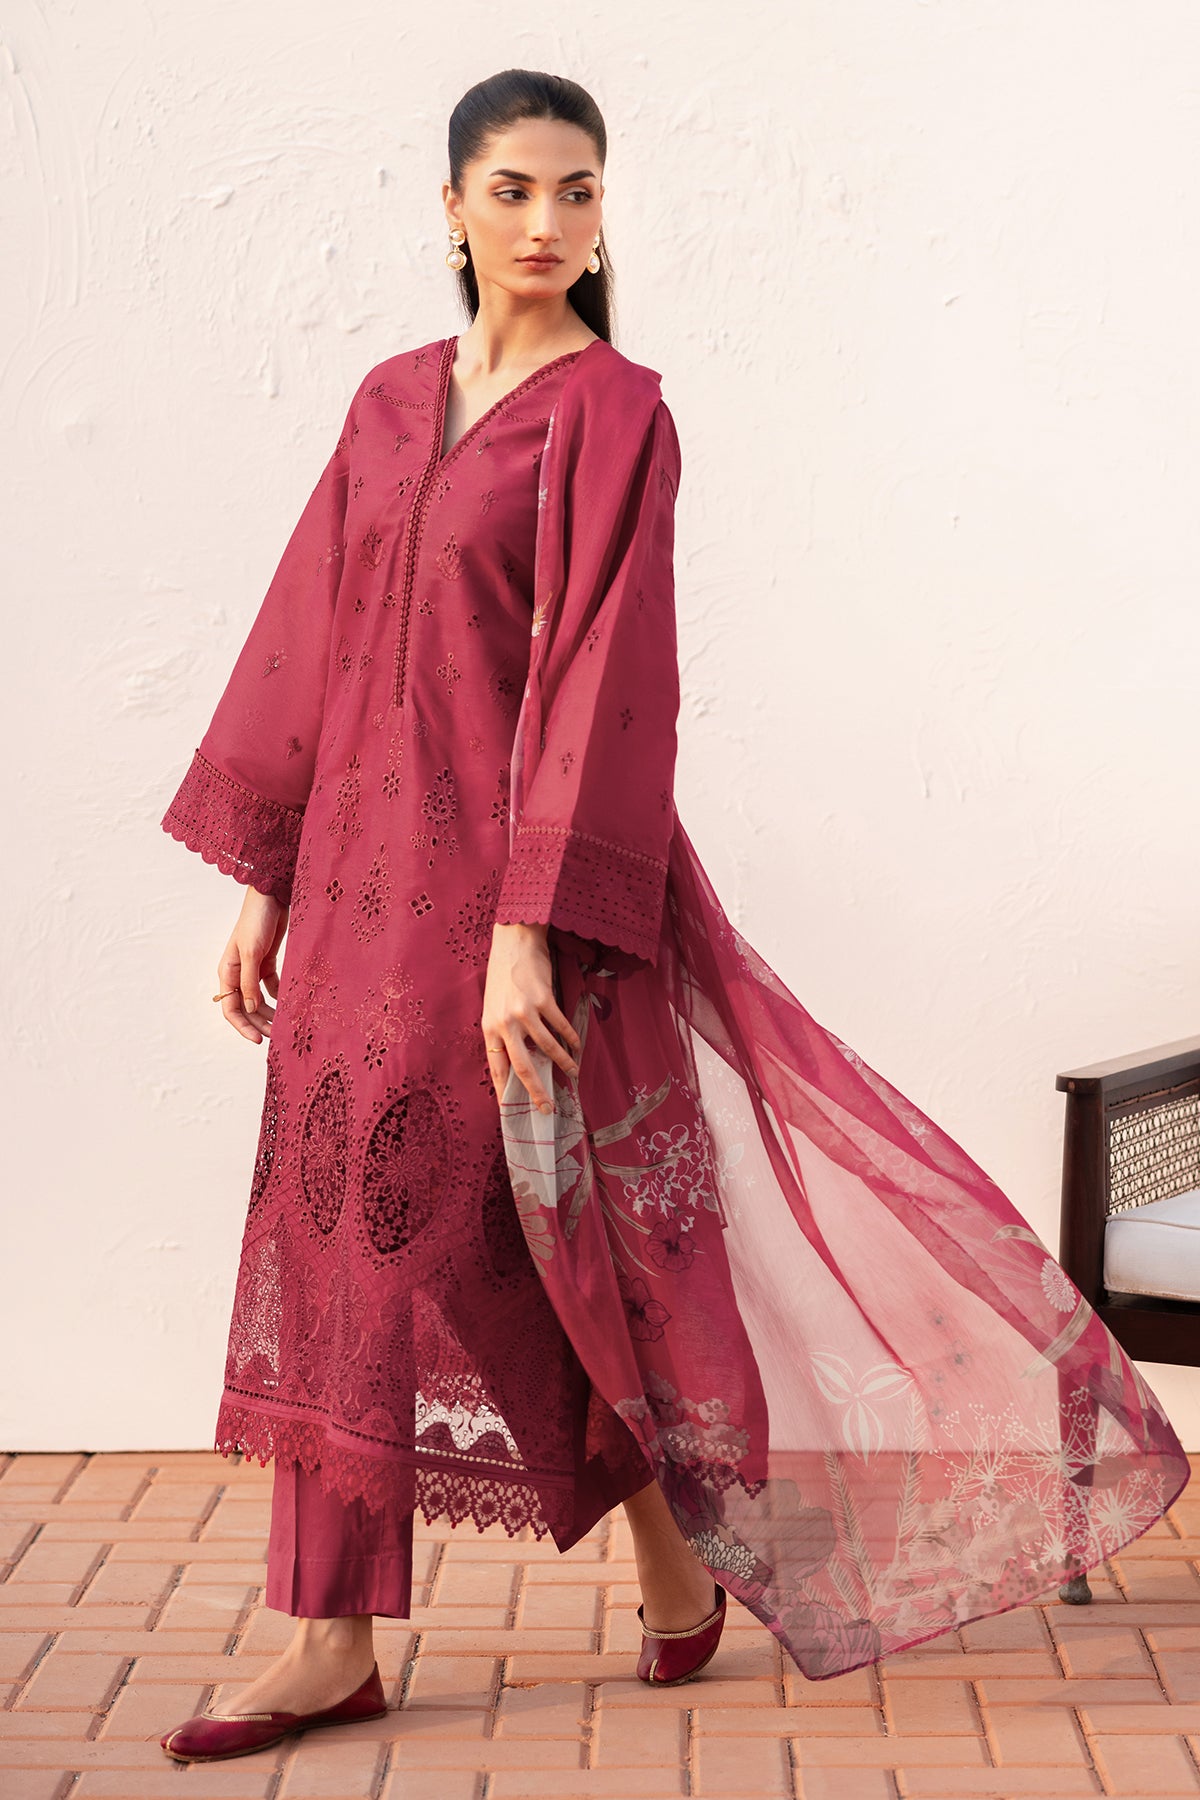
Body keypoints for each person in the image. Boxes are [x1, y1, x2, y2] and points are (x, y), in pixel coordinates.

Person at [157, 69, 1189, 1766]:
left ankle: (449, 1607)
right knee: (359, 1231)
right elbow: (313, 643)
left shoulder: (615, 414)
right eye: (511, 190)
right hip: (351, 887)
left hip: (521, 901)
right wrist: (268, 881)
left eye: (577, 191)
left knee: (511, 1239)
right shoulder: (388, 401)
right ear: (450, 207)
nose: (546, 223)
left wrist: (526, 931)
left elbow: (607, 684)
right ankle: (387, 1622)